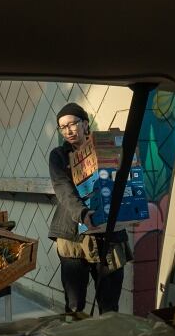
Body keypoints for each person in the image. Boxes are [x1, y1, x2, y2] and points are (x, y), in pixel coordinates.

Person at [48, 102, 132, 314]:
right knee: (75, 306)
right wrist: (83, 214)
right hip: (72, 235)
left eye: (72, 124)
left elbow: (126, 179)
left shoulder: (106, 148)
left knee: (109, 305)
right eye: (62, 126)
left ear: (85, 124)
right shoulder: (58, 155)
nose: (68, 130)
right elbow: (63, 189)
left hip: (109, 235)